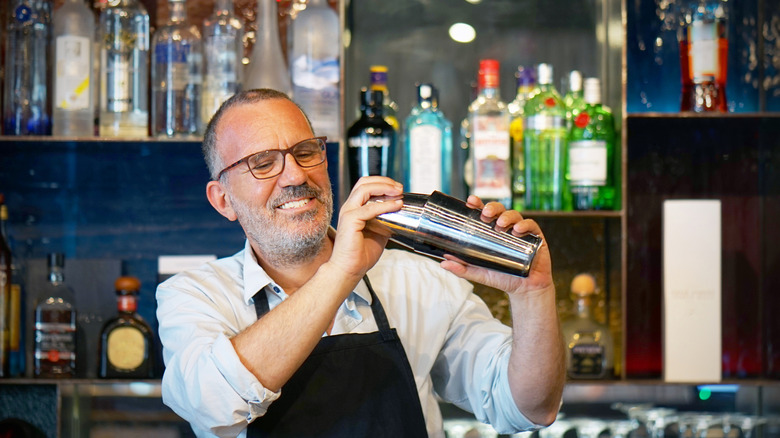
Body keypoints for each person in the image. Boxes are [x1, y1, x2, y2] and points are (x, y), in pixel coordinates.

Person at [156, 88, 565, 438]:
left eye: (304, 152)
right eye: (263, 163)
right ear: (222, 199)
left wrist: (535, 293)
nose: (294, 175)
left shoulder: (423, 280)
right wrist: (340, 273)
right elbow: (210, 403)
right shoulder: (194, 295)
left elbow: (530, 407)